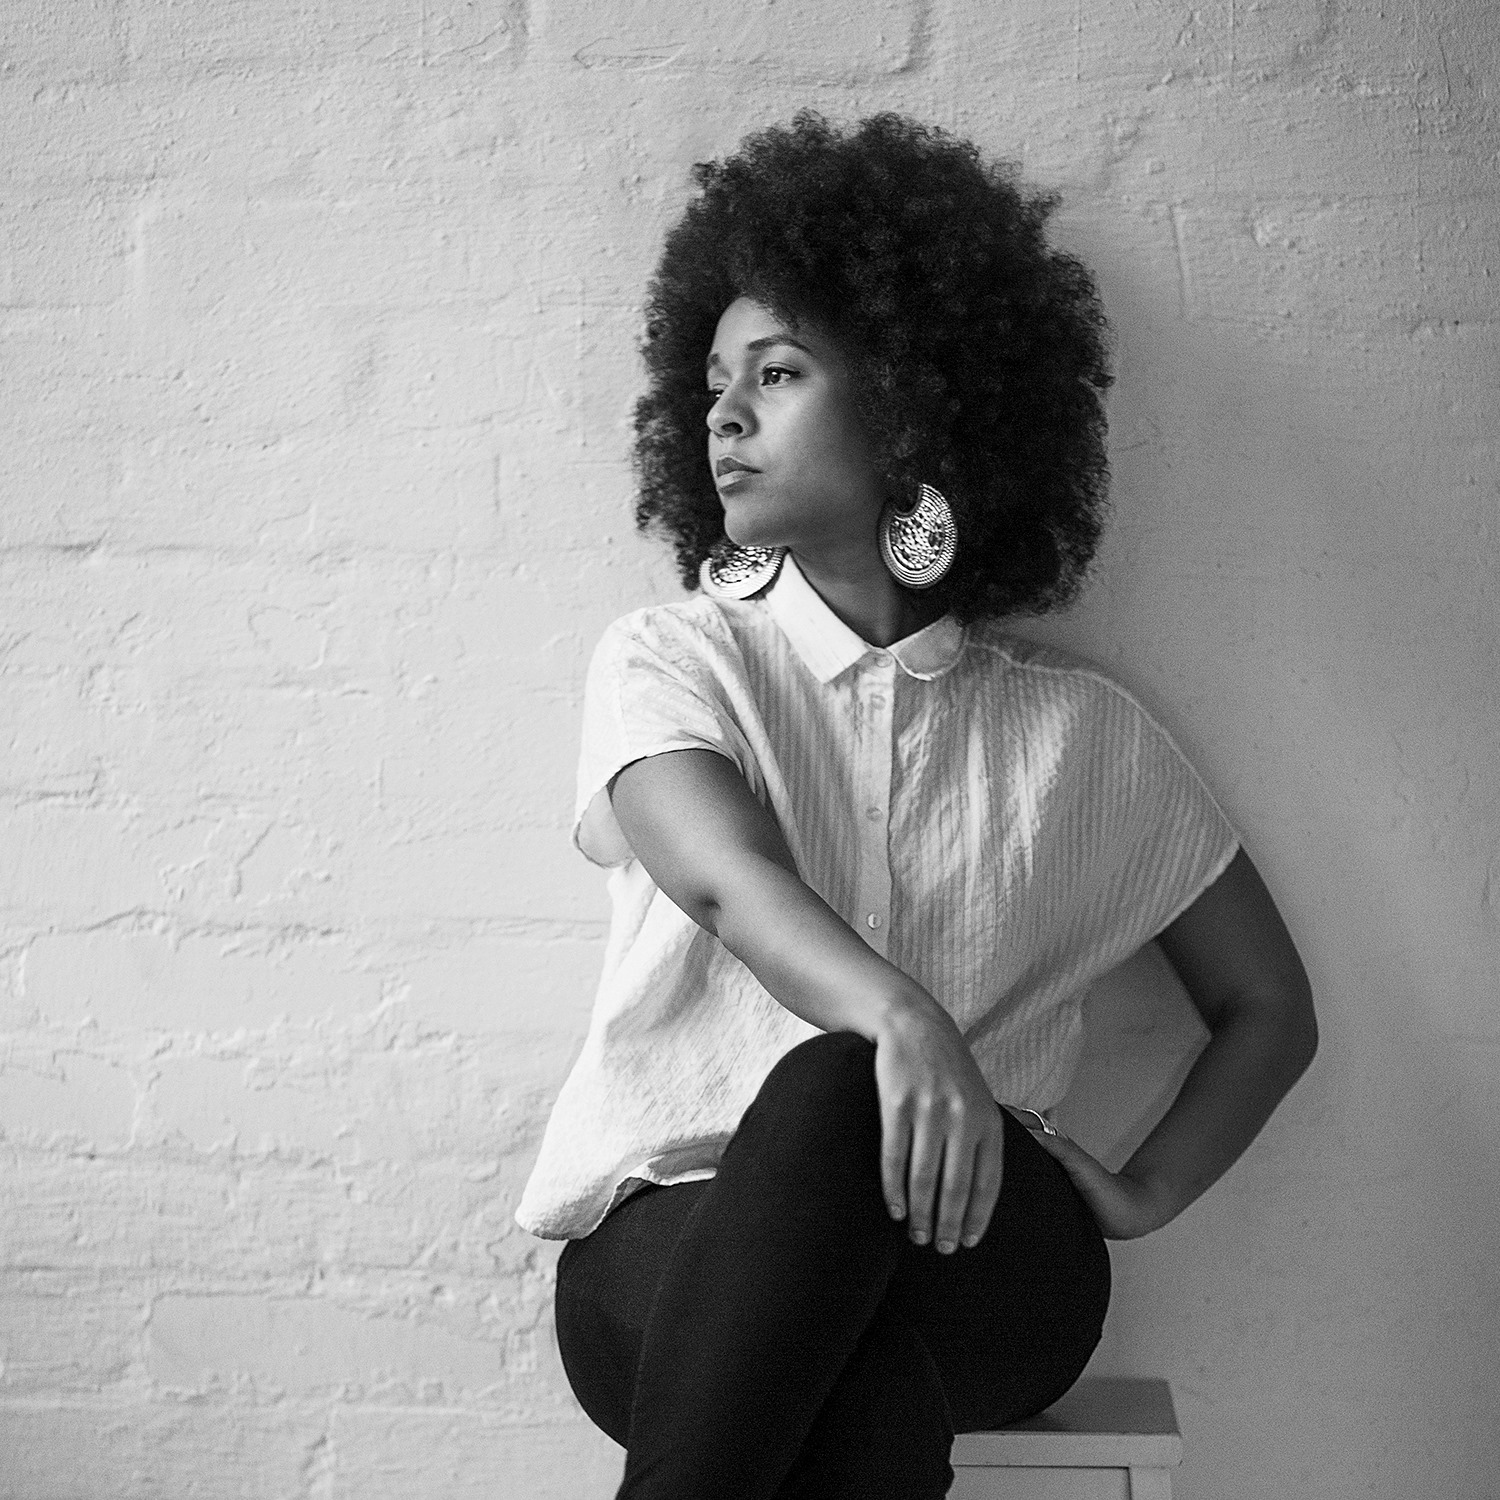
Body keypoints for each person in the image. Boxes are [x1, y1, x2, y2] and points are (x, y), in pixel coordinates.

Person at [515, 112, 1317, 1500]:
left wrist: (1143, 1193)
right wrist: (903, 1020)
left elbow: (1270, 1008)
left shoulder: (1085, 739)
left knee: (840, 1194)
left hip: (981, 1255)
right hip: (676, 1242)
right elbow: (725, 879)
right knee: (849, 1346)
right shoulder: (671, 662)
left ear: (910, 405)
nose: (723, 415)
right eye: (712, 384)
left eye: (777, 373)